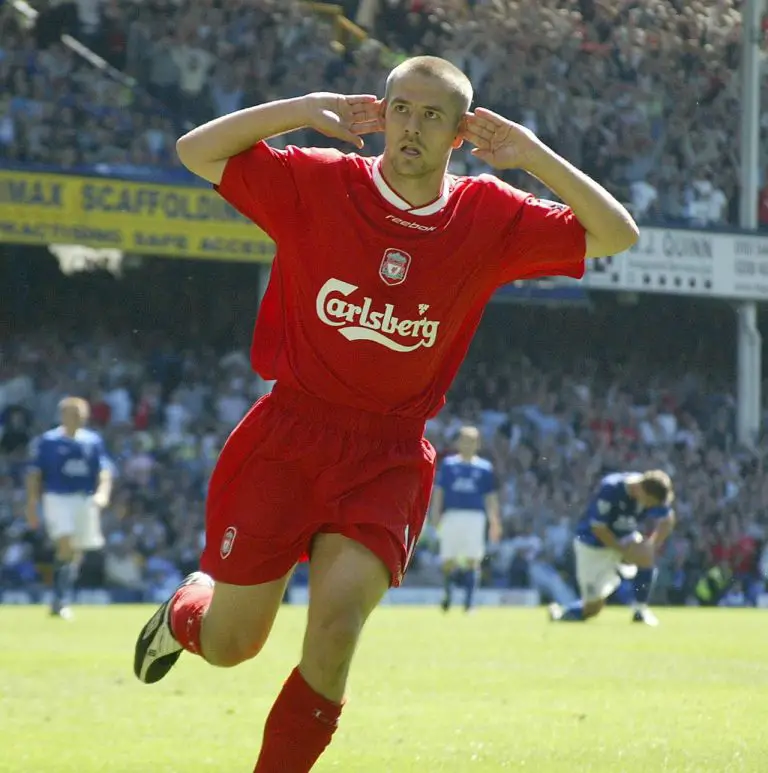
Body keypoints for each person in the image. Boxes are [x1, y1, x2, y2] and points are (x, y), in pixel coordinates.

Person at [132, 55, 638, 772]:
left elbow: (617, 234)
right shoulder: (320, 180)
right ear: (382, 112)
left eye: (433, 116)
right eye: (402, 109)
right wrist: (301, 108)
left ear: (460, 133)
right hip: (288, 436)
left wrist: (531, 155)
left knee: (335, 632)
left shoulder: (489, 214)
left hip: (388, 456)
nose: (413, 127)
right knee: (232, 645)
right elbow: (196, 151)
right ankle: (189, 609)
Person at [549, 470, 676, 627]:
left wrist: (652, 545)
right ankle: (561, 614)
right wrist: (622, 551)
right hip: (593, 546)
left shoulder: (650, 491)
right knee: (593, 608)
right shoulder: (611, 488)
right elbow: (598, 528)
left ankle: (640, 610)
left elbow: (667, 519)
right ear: (642, 491)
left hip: (624, 537)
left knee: (645, 554)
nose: (649, 506)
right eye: (649, 502)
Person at [26, 397, 113, 619]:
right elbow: (35, 474)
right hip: (57, 497)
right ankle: (60, 599)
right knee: (65, 543)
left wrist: (103, 494)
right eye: (72, 413)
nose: (76, 418)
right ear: (62, 415)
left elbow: (104, 471)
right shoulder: (49, 441)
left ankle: (62, 596)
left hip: (84, 499)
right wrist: (32, 505)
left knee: (76, 551)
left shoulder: (92, 441)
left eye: (80, 414)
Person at [430, 425, 501, 612]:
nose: (468, 445)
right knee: (448, 559)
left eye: (472, 441)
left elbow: (490, 497)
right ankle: (447, 595)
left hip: (475, 517)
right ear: (458, 443)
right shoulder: (449, 465)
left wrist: (494, 522)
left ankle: (469, 603)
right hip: (452, 515)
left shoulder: (484, 468)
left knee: (472, 559)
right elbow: (439, 492)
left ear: (478, 444)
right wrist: (435, 514)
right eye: (464, 441)